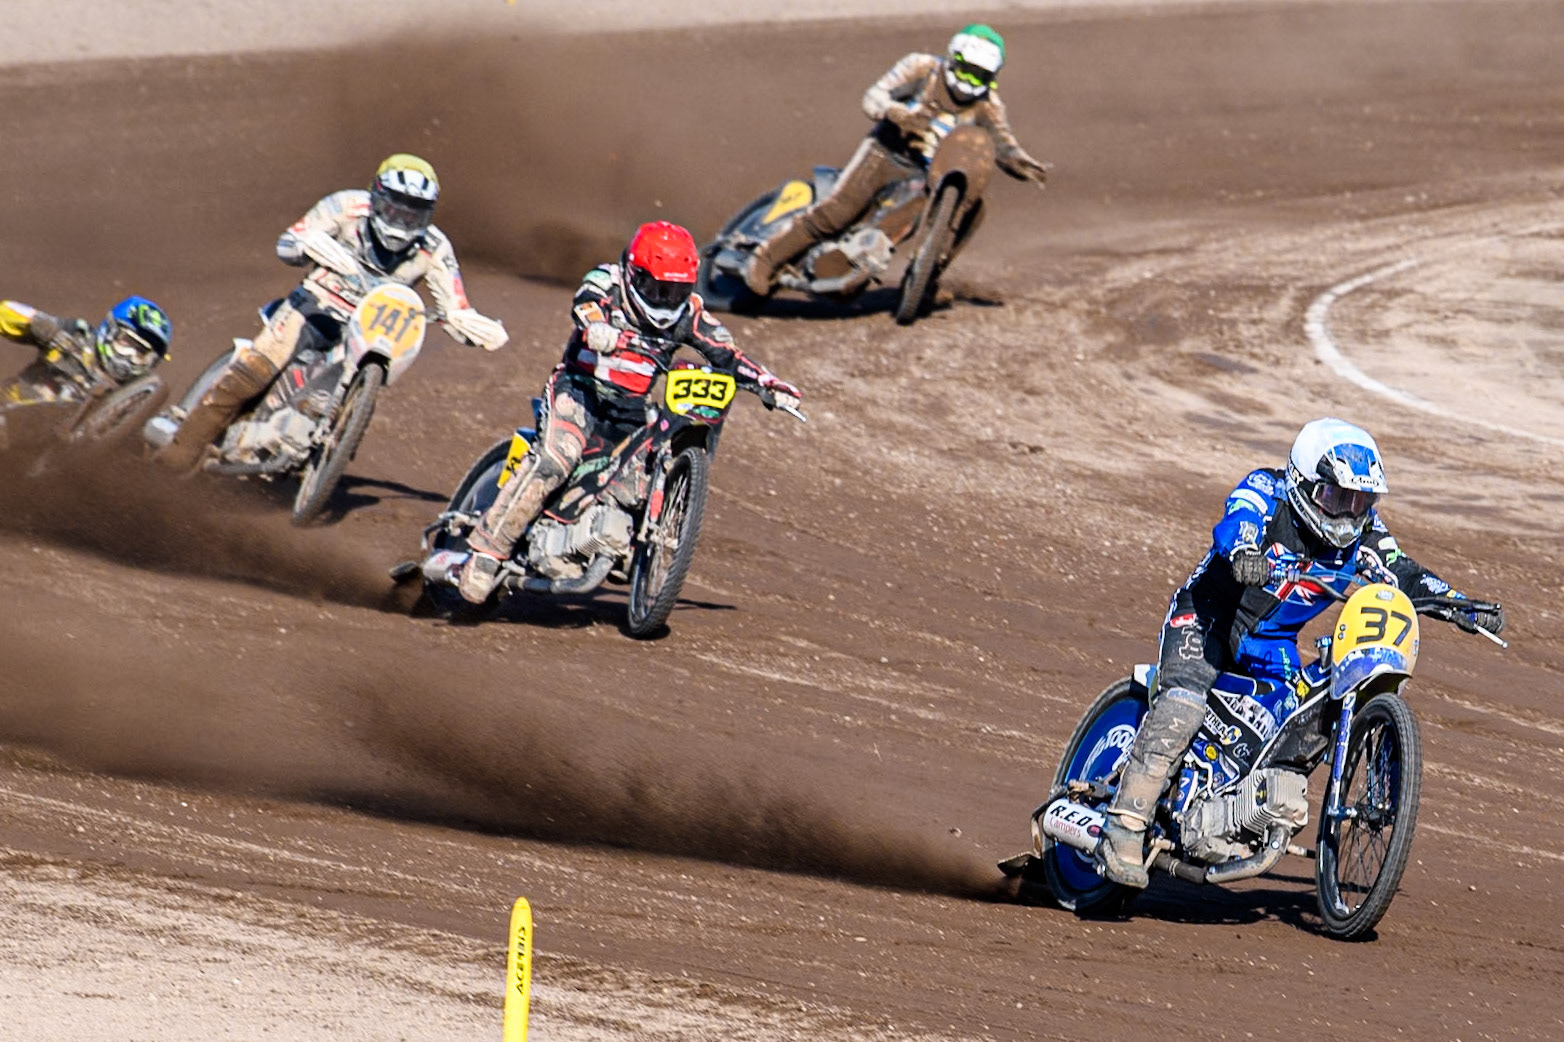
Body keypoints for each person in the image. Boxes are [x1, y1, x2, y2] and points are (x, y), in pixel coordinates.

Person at [1096, 417, 1507, 888]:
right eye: (1336, 496)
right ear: (1303, 482)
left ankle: (1243, 808)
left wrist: (1460, 605)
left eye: (1359, 501)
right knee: (1184, 704)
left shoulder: (1365, 533)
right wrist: (1244, 553)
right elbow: (1237, 522)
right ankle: (1123, 827)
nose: (1348, 514)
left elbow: (1403, 571)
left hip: (1271, 646)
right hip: (1207, 619)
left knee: (1306, 711)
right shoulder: (1266, 492)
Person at [455, 220, 802, 604]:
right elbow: (585, 302)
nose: (667, 300)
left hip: (632, 409)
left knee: (643, 474)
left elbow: (727, 353)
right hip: (580, 391)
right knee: (558, 458)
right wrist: (596, 325)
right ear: (636, 274)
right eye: (659, 289)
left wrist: (768, 383)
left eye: (677, 291)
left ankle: (617, 545)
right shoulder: (608, 281)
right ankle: (487, 553)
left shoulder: (689, 313)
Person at [155, 153, 508, 472]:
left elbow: (455, 307)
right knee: (256, 370)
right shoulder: (344, 206)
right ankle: (180, 451)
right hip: (315, 308)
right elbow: (288, 242)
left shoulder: (435, 246)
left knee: (339, 397)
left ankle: (314, 440)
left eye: (413, 213)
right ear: (376, 198)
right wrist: (309, 244)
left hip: (371, 330)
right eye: (395, 209)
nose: (401, 221)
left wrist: (474, 328)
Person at [743, 23, 1050, 296]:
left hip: (925, 178)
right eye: (966, 70)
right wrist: (896, 113)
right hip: (885, 153)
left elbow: (1003, 142)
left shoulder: (989, 106)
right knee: (837, 213)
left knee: (947, 218)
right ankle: (766, 258)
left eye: (980, 75)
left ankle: (922, 282)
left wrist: (1020, 162)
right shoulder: (921, 68)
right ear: (952, 59)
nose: (971, 81)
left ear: (992, 79)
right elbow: (873, 97)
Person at [1, 295, 172, 448]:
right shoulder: (76, 334)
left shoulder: (135, 395)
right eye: (128, 342)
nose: (130, 356)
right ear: (110, 329)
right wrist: (43, 328)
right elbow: (5, 311)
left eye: (141, 353)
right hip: (11, 413)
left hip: (54, 451)